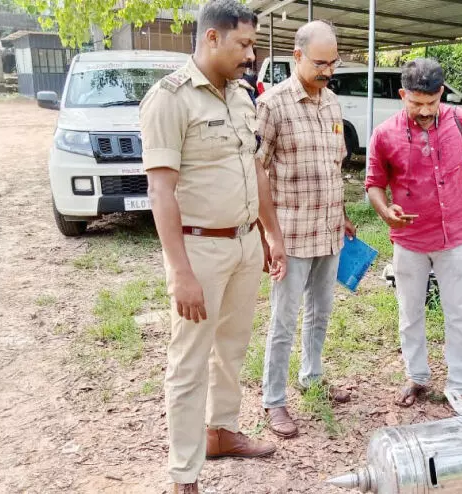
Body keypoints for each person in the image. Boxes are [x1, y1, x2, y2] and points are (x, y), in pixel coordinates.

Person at [139, 1, 287, 492]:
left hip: (245, 243)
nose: (251, 54)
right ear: (212, 39)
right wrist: (180, 272)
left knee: (232, 348)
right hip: (199, 251)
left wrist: (271, 233)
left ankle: (222, 432)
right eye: (244, 44)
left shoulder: (242, 96)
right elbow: (160, 191)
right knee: (189, 362)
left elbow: (256, 171)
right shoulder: (170, 99)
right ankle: (185, 473)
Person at [365, 58, 462, 412]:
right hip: (409, 240)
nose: (424, 111)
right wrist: (385, 211)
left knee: (459, 312)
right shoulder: (384, 134)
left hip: (455, 234)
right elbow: (374, 184)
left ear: (441, 93)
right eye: (416, 103)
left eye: (431, 102)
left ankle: (461, 385)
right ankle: (418, 377)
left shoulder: (460, 122)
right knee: (410, 313)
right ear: (402, 95)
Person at [255, 20, 355, 439]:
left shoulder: (332, 103)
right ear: (297, 57)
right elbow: (256, 171)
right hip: (292, 235)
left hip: (329, 231)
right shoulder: (273, 105)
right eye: (319, 63)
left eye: (333, 62)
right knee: (284, 318)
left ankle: (312, 376)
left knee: (321, 312)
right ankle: (273, 399)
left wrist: (344, 212)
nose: (327, 70)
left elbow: (334, 167)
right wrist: (268, 234)